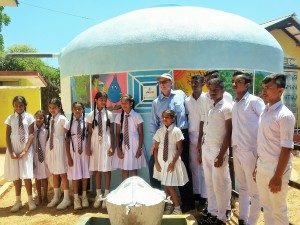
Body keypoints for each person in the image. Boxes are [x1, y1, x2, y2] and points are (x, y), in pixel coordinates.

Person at [149, 73, 194, 212]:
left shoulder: (180, 94)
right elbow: (153, 123)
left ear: (171, 83)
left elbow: (188, 113)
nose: (162, 84)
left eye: (165, 81)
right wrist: (155, 142)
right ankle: (161, 201)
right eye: (160, 82)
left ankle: (187, 203)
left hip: (180, 135)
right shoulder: (156, 102)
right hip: (163, 138)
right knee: (154, 166)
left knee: (182, 168)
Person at [254, 74, 295, 225]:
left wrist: (277, 176)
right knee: (267, 207)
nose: (264, 91)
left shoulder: (285, 115)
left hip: (276, 169)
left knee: (278, 211)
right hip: (263, 166)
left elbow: (286, 148)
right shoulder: (265, 111)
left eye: (268, 88)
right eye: (263, 88)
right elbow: (263, 142)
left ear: (280, 90)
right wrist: (257, 166)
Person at [197, 70, 233, 219]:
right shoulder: (212, 108)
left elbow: (228, 133)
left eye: (216, 89)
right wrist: (201, 148)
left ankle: (222, 215)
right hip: (207, 149)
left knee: (220, 184)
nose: (212, 92)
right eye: (210, 90)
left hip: (219, 149)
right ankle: (212, 211)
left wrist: (221, 154)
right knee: (210, 182)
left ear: (222, 90)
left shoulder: (227, 107)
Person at [231, 71, 265, 225]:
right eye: (233, 81)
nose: (234, 84)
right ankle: (243, 219)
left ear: (247, 85)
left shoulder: (254, 101)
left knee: (255, 191)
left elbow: (265, 123)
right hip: (237, 151)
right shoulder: (235, 103)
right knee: (242, 188)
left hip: (251, 151)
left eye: (238, 82)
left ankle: (252, 221)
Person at [4, 96, 36, 212]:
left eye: (21, 105)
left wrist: (25, 150)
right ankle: (18, 201)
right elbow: (7, 135)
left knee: (26, 174)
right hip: (13, 148)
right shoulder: (10, 118)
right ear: (13, 106)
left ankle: (30, 200)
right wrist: (11, 151)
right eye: (16, 105)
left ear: (24, 105)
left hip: (25, 149)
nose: (18, 107)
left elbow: (31, 135)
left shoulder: (29, 117)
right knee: (16, 175)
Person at [153, 109, 188, 215]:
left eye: (167, 117)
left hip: (172, 160)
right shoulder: (159, 131)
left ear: (173, 119)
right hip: (161, 162)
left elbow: (180, 149)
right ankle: (169, 204)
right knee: (165, 184)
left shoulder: (177, 131)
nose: (165, 119)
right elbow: (156, 148)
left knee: (169, 185)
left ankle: (177, 208)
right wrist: (156, 162)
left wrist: (173, 163)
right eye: (163, 117)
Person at [86, 91, 115, 209]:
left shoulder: (109, 114)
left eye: (104, 100)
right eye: (101, 99)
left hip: (106, 143)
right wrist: (88, 146)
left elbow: (112, 132)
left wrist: (112, 146)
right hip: (94, 143)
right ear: (96, 100)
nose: (103, 102)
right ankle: (99, 195)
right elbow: (88, 133)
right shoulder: (90, 115)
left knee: (106, 169)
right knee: (97, 170)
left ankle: (106, 196)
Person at [184, 75, 207, 205]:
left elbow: (205, 120)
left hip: (204, 136)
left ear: (203, 83)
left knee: (203, 166)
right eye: (192, 82)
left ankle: (205, 196)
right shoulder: (187, 101)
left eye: (197, 82)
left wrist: (200, 141)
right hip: (191, 135)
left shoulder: (207, 99)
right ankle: (197, 194)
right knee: (194, 166)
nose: (194, 84)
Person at [45, 98, 71, 210]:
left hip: (60, 146)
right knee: (54, 172)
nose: (52, 110)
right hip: (51, 147)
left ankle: (66, 199)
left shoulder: (62, 119)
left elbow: (67, 133)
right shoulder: (51, 118)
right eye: (50, 108)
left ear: (59, 107)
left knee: (62, 173)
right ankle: (56, 196)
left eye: (54, 107)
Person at [115, 94, 147, 180]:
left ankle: (133, 189)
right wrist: (118, 149)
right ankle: (125, 190)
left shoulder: (137, 116)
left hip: (134, 145)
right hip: (123, 144)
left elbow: (141, 133)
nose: (124, 105)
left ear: (131, 103)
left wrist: (139, 149)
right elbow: (117, 134)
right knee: (124, 168)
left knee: (133, 168)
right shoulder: (119, 117)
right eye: (122, 103)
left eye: (126, 103)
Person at [66, 102, 90, 210]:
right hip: (74, 153)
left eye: (80, 109)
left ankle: (84, 196)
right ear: (72, 110)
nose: (77, 111)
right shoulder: (69, 124)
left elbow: (89, 136)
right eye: (75, 109)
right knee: (75, 176)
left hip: (84, 152)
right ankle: (76, 199)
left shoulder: (86, 122)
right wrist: (69, 157)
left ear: (83, 110)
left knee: (85, 175)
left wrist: (88, 148)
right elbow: (66, 141)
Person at [33, 110, 50, 205]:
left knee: (44, 176)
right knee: (37, 177)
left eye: (41, 118)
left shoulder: (46, 130)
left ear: (44, 119)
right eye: (37, 117)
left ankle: (45, 196)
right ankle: (39, 197)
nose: (39, 119)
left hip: (44, 155)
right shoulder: (32, 129)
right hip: (35, 155)